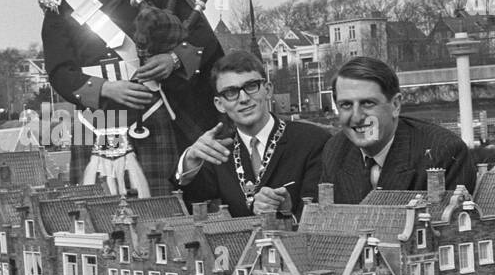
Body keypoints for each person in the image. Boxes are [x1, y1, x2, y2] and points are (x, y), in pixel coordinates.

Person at [41, 0, 222, 196]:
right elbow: (60, 71)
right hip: (94, 119)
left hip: (150, 112)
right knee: (93, 213)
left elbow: (203, 40)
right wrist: (105, 89)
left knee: (160, 208)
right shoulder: (59, 5)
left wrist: (173, 59)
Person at [174, 50, 327, 220]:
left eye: (251, 86)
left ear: (268, 90)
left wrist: (285, 209)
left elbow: (321, 213)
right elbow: (189, 207)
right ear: (220, 104)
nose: (244, 98)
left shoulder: (312, 141)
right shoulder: (219, 152)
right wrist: (189, 162)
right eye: (231, 92)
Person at [320, 56, 475, 204]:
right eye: (346, 105)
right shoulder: (335, 150)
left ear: (395, 105)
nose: (357, 117)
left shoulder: (444, 152)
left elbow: (450, 228)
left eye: (367, 103)